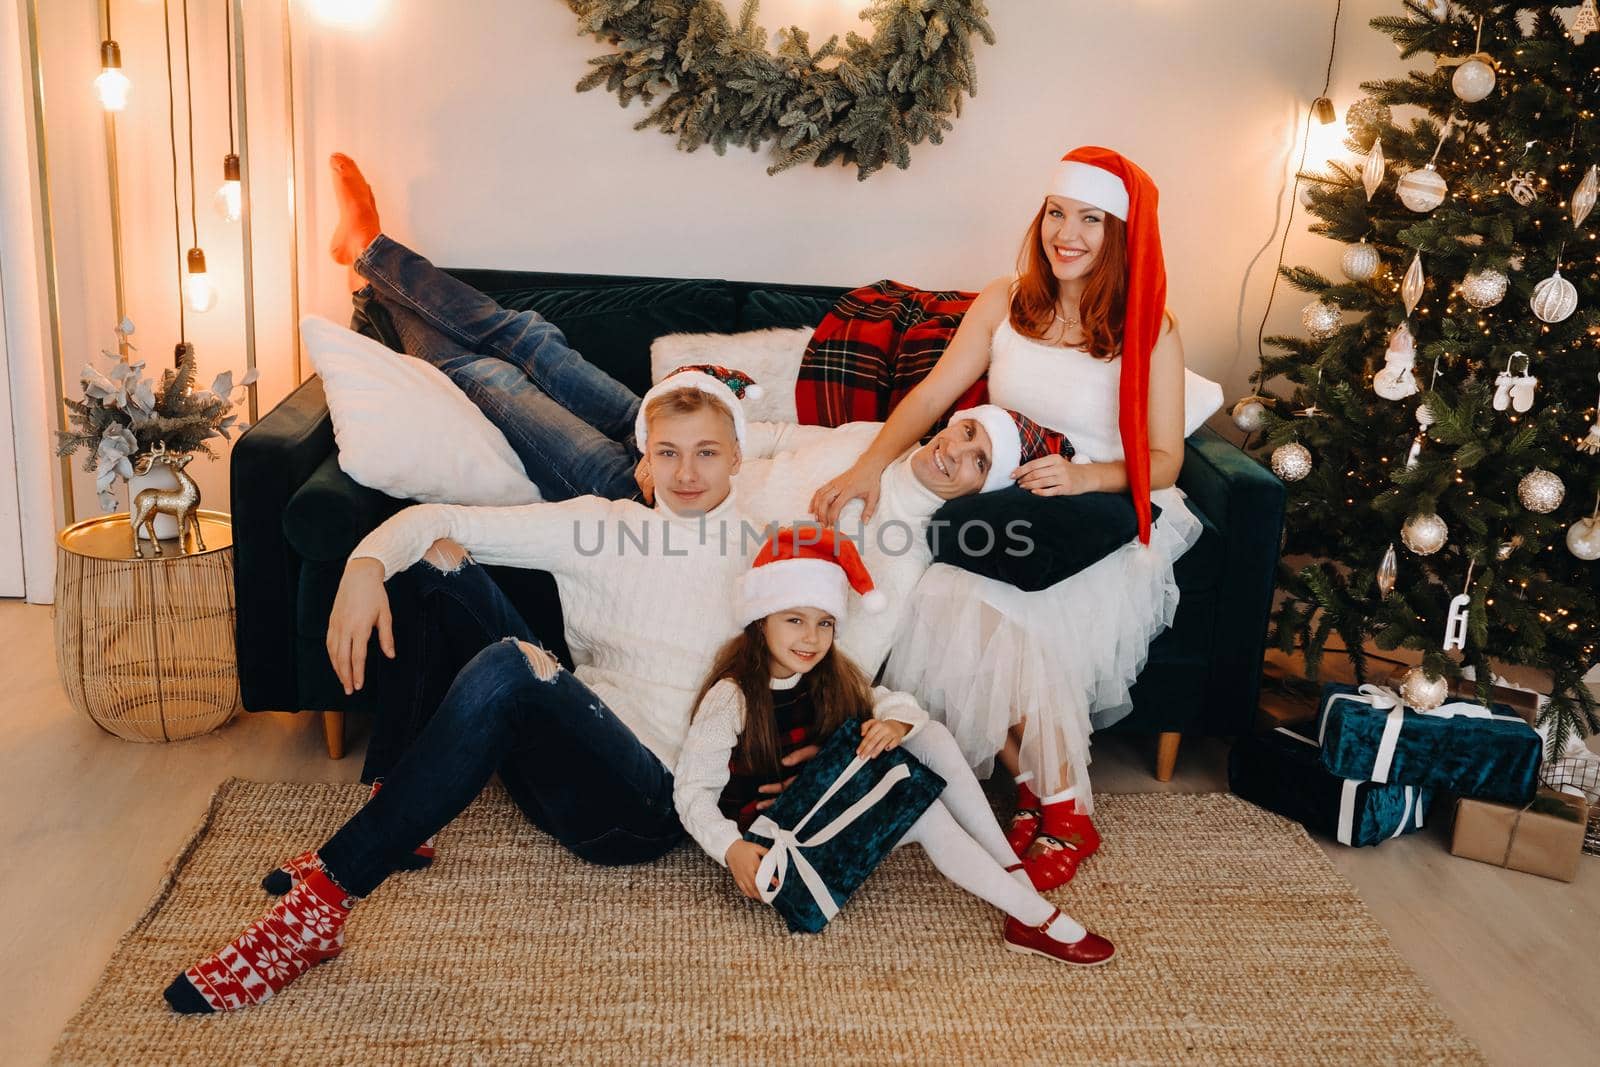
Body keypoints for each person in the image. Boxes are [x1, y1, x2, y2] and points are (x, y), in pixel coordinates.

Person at [163, 371, 766, 1014]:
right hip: (563, 759)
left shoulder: (763, 550)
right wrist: (364, 567)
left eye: (706, 452)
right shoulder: (600, 525)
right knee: (433, 560)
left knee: (515, 665)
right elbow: (436, 520)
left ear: (736, 455)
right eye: (668, 452)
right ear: (645, 457)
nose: (688, 472)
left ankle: (314, 913)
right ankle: (399, 816)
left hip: (641, 804)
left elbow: (823, 656)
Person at [810, 146, 1203, 892]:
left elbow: (1166, 457)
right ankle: (1037, 788)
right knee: (936, 598)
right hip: (1008, 503)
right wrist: (867, 466)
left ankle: (1067, 812)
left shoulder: (1150, 327)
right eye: (1058, 213)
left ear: (1118, 235)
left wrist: (1087, 474)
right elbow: (929, 400)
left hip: (1099, 507)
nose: (1068, 234)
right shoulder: (1005, 301)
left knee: (1004, 616)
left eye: (1091, 219)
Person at [674, 525, 1115, 966]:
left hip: (820, 810)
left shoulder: (827, 676)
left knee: (928, 734)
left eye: (823, 622)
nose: (810, 638)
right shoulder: (733, 696)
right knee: (918, 806)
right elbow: (692, 792)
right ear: (760, 621)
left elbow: (898, 704)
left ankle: (1015, 880)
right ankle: (1036, 918)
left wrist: (897, 724)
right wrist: (730, 848)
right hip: (776, 852)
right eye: (794, 620)